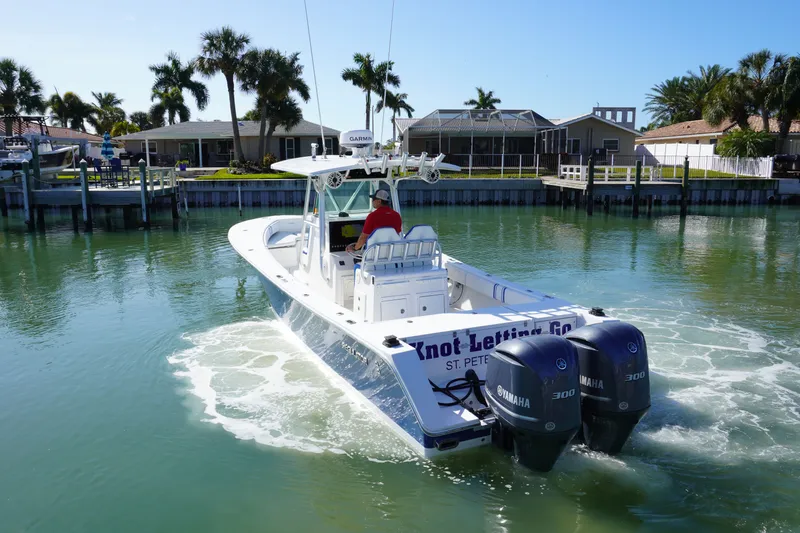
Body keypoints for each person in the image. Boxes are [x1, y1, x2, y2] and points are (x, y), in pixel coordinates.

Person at [345, 189, 402, 253]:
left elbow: (363, 237)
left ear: (379, 201)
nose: (372, 201)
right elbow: (396, 234)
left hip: (374, 254)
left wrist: (355, 248)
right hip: (391, 254)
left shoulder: (372, 216)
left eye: (373, 199)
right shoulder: (397, 215)